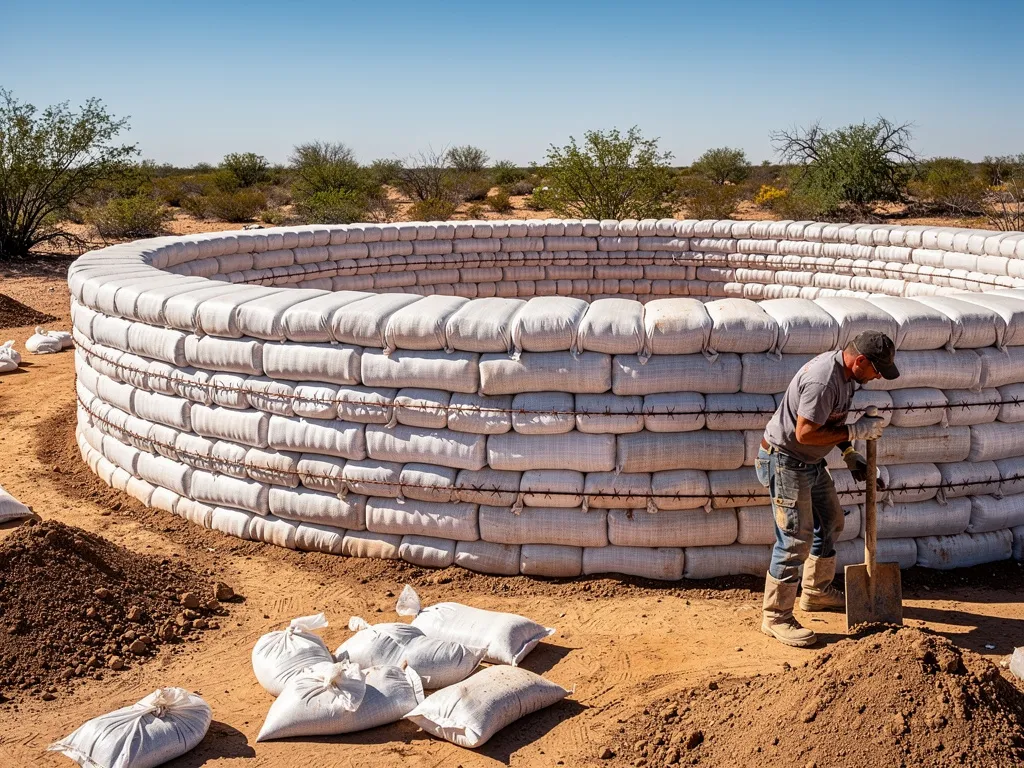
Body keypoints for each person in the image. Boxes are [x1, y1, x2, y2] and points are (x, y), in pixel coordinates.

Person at [756, 330, 900, 647]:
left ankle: (816, 592)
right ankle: (775, 616)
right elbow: (805, 434)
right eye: (876, 370)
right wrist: (854, 429)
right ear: (861, 360)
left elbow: (830, 425)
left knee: (832, 520)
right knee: (795, 537)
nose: (877, 377)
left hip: (809, 462)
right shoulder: (824, 380)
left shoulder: (847, 377)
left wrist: (850, 455)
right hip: (786, 461)